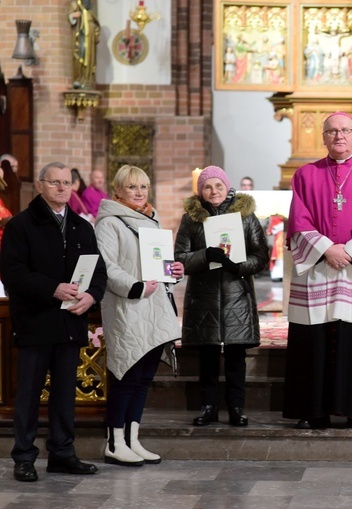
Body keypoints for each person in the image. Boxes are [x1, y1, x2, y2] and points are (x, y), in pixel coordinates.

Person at [282, 112, 352, 430]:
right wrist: (326, 249)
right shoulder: (305, 175)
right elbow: (298, 221)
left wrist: (349, 252)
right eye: (332, 131)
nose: (339, 136)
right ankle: (313, 409)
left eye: (345, 130)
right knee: (314, 340)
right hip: (320, 268)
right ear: (323, 137)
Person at [0, 162, 107, 482]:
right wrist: (52, 289)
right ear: (39, 185)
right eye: (55, 182)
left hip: (70, 322)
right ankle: (24, 456)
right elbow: (12, 273)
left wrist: (92, 296)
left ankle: (62, 453)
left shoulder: (82, 226)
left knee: (64, 394)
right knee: (29, 393)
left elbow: (98, 271)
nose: (62, 188)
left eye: (66, 183)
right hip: (35, 321)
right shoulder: (21, 225)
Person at [95, 165, 184, 467]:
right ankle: (114, 442)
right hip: (128, 306)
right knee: (126, 375)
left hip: (154, 306)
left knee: (144, 378)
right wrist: (135, 286)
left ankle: (133, 439)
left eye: (143, 187)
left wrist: (173, 271)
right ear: (117, 190)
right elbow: (107, 266)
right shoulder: (109, 223)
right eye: (132, 187)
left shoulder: (152, 220)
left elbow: (156, 263)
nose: (139, 192)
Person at [175, 166, 269, 427]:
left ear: (227, 187)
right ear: (201, 191)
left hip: (236, 295)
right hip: (203, 297)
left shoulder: (246, 217)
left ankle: (237, 407)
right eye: (207, 186)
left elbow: (261, 256)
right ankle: (208, 407)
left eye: (218, 185)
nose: (213, 191)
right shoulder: (191, 219)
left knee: (236, 356)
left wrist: (238, 266)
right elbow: (180, 258)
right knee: (207, 356)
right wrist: (204, 255)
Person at [68, 0, 101, 90]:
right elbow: (70, 16)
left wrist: (96, 33)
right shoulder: (75, 5)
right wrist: (73, 16)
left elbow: (97, 25)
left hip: (90, 40)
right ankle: (78, 79)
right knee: (80, 55)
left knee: (90, 59)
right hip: (80, 37)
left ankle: (88, 80)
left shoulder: (91, 11)